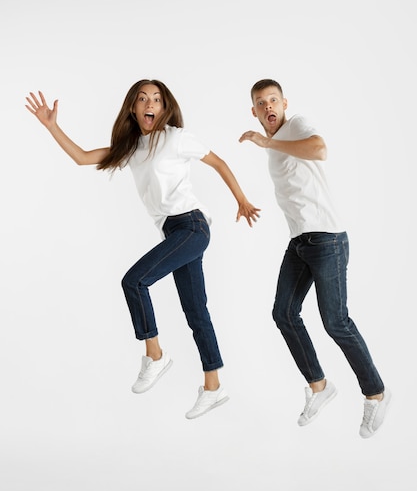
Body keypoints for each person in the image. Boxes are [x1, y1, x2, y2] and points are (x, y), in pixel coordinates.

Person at [25, 80, 260, 419]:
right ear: (134, 109)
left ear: (164, 108)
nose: (150, 104)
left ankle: (155, 355)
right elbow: (81, 158)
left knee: (134, 281)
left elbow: (218, 162)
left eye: (157, 100)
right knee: (196, 312)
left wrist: (242, 200)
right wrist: (53, 127)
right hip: (174, 232)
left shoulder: (176, 138)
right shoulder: (131, 147)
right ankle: (213, 386)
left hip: (192, 226)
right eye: (142, 99)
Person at [239, 79, 390, 438]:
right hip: (300, 241)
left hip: (327, 238)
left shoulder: (296, 125)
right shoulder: (273, 142)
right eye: (261, 103)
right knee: (283, 313)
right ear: (254, 111)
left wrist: (268, 141)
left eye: (273, 100)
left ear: (284, 102)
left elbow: (320, 148)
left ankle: (376, 394)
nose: (268, 107)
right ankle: (320, 386)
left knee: (336, 322)